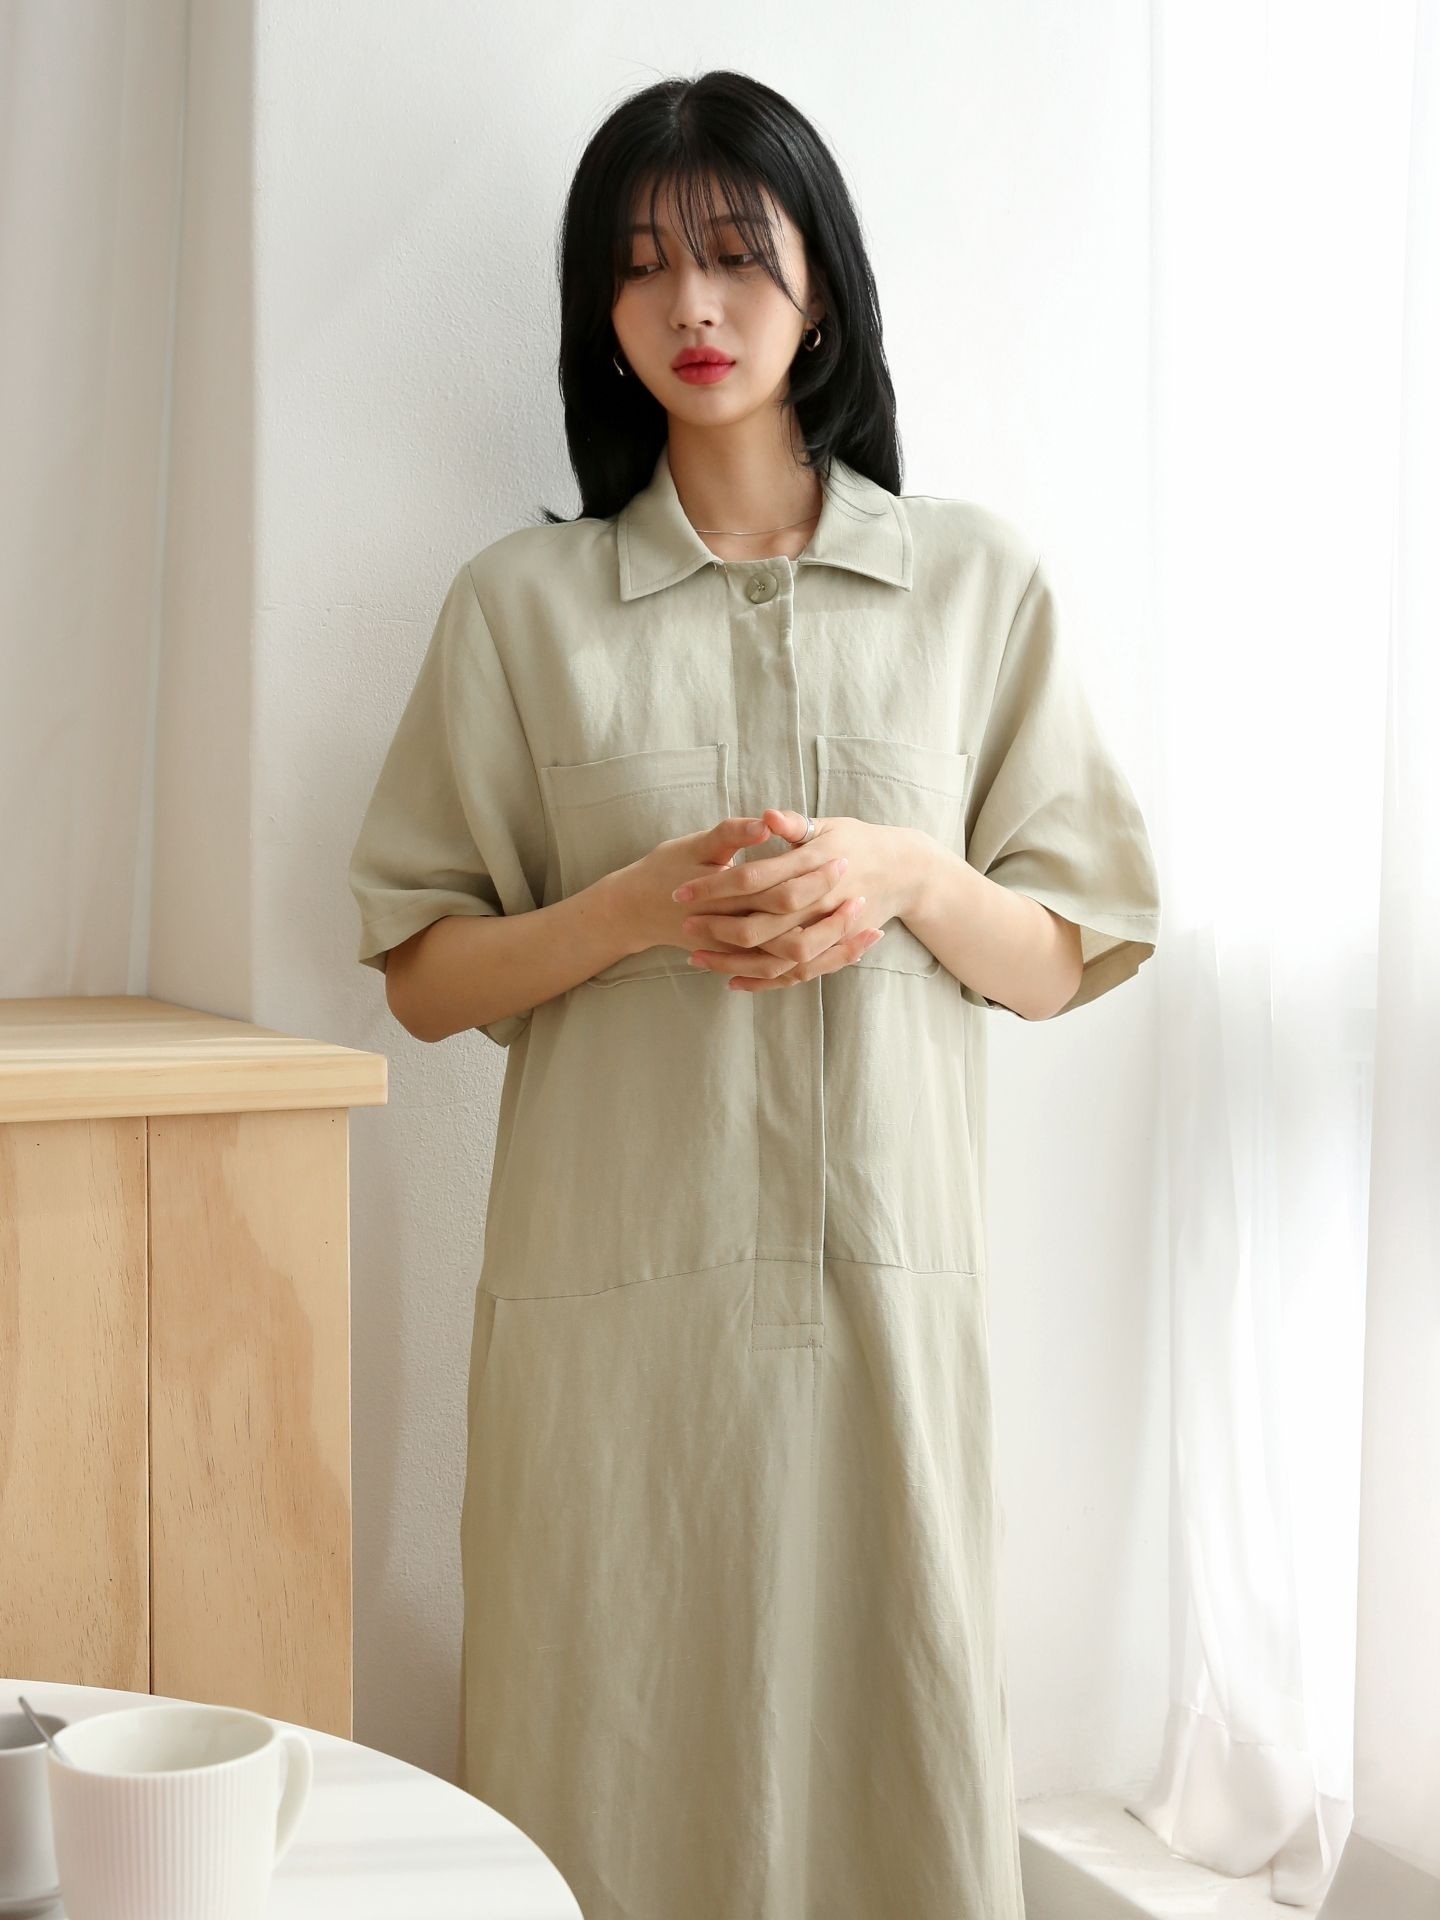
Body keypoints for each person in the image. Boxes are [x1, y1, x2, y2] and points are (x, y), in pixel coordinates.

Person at [348, 67, 1161, 1920]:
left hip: (883, 1313)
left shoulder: (975, 584)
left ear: (822, 284)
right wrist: (631, 908)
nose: (691, 305)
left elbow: (1062, 960)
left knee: (897, 1760)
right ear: (596, 311)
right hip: (611, 1338)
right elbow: (424, 974)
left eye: (734, 252)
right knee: (602, 1762)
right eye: (640, 266)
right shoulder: (521, 607)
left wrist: (910, 875)